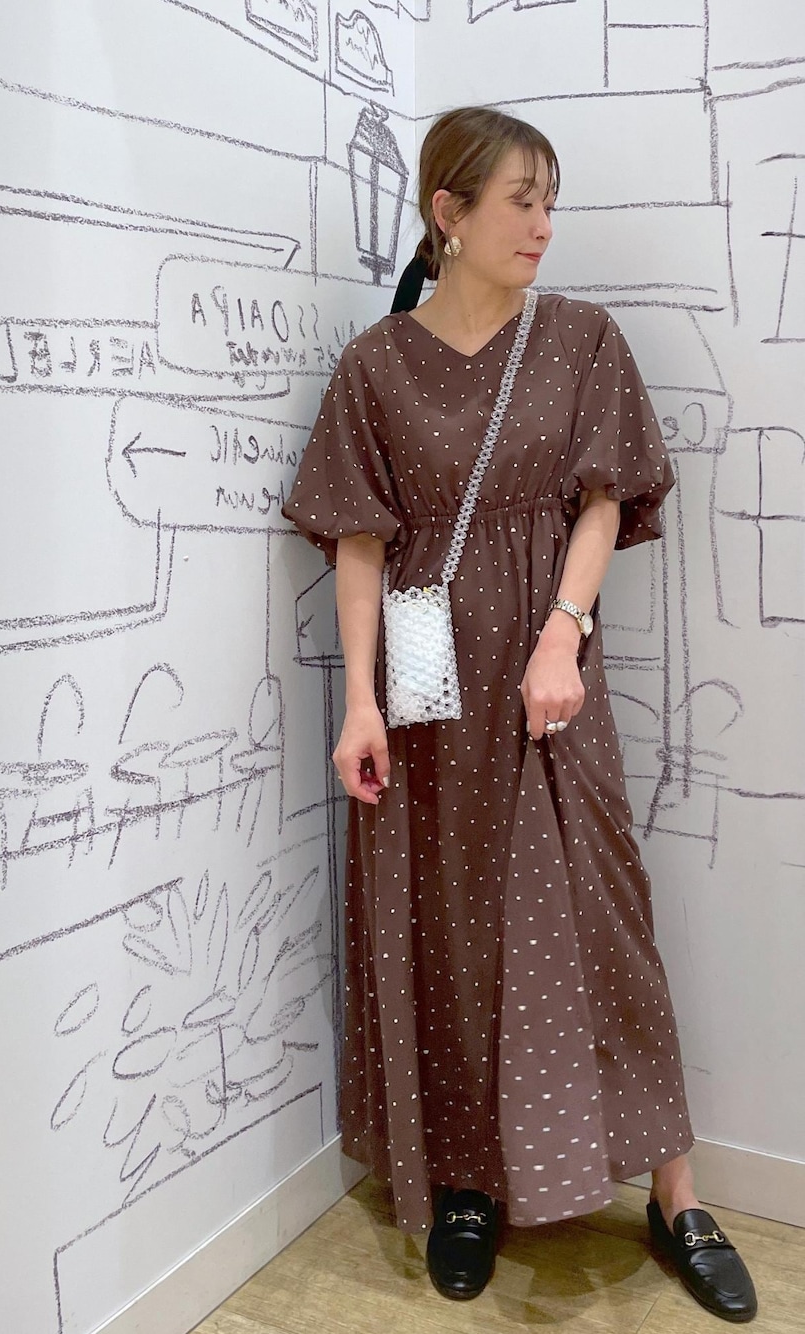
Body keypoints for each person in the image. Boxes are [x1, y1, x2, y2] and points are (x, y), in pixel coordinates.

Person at [282, 106, 757, 1321]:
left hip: (547, 686)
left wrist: (564, 629)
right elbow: (357, 540)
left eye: (551, 201)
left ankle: (675, 1194)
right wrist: (358, 705)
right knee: (444, 922)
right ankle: (465, 1184)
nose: (544, 225)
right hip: (425, 693)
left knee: (600, 919)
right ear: (448, 212)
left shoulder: (581, 338)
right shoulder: (374, 366)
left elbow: (603, 499)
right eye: (520, 201)